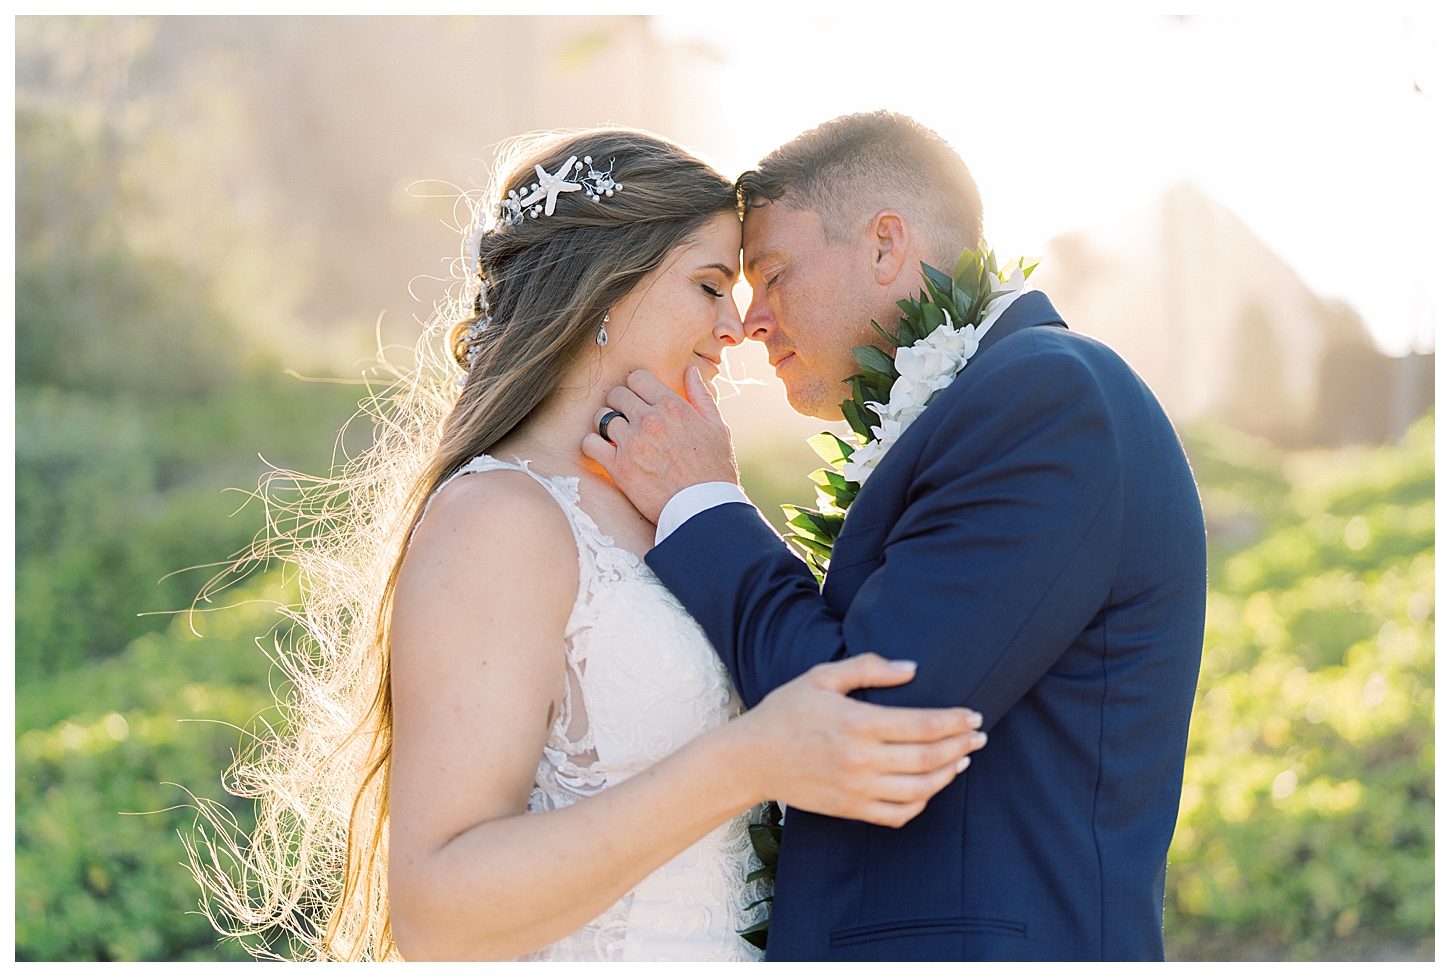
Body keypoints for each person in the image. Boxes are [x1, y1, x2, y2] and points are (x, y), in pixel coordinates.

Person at [189, 127, 984, 963]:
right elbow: (436, 908)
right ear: (607, 290)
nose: (736, 328)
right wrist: (749, 760)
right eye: (711, 285)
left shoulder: (670, 505)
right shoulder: (497, 518)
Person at [586, 111, 1208, 961]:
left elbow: (869, 714)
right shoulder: (982, 406)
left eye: (772, 274)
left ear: (886, 244)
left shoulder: (1050, 399)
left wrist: (704, 504)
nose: (751, 320)